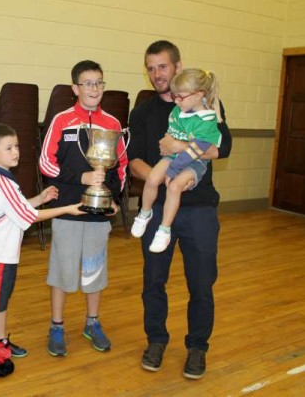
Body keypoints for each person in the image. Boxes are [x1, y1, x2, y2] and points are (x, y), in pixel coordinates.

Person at [127, 40, 232, 379]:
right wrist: (163, 176)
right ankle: (156, 340)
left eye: (162, 66)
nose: (157, 74)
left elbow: (222, 147)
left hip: (200, 209)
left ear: (177, 67)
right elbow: (135, 163)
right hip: (158, 208)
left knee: (201, 284)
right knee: (153, 280)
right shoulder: (142, 111)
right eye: (151, 68)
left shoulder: (206, 103)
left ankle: (197, 348)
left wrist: (180, 149)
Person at [0, 123, 85, 373]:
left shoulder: (4, 178)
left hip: (6, 254)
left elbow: (18, 208)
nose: (16, 152)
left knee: (1, 301)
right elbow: (30, 217)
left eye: (17, 146)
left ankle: (0, 340)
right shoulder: (2, 182)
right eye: (9, 148)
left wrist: (40, 198)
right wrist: (67, 209)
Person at [39, 60, 128, 357]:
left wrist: (112, 197)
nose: (94, 89)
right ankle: (56, 325)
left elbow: (121, 168)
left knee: (94, 271)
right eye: (88, 83)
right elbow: (45, 164)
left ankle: (92, 323)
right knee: (62, 271)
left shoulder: (113, 124)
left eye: (99, 83)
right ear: (75, 88)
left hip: (98, 212)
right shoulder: (61, 120)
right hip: (68, 209)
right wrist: (80, 178)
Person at [131, 68, 223, 253]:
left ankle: (164, 230)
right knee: (152, 179)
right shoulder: (180, 108)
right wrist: (170, 146)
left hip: (194, 162)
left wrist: (173, 169)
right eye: (175, 96)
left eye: (180, 97)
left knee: (174, 187)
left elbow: (194, 152)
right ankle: (145, 214)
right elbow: (171, 134)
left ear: (199, 95)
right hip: (173, 156)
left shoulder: (206, 120)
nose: (176, 101)